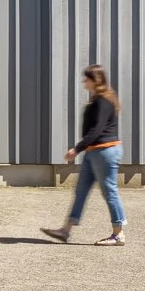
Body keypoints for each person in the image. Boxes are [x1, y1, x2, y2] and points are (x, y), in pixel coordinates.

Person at [42, 64, 126, 246]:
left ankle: (118, 234)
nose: (84, 82)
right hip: (94, 151)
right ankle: (65, 230)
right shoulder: (99, 99)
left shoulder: (103, 100)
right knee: (80, 190)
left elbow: (97, 129)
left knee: (109, 191)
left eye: (87, 79)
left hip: (105, 150)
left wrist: (77, 148)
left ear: (95, 80)